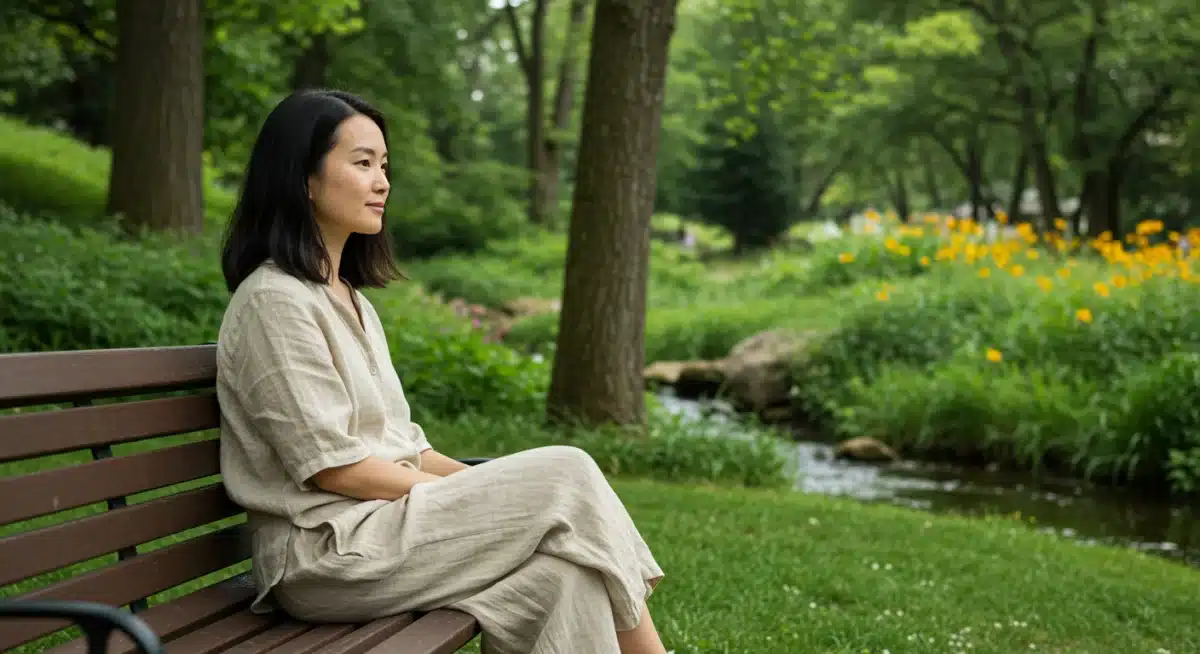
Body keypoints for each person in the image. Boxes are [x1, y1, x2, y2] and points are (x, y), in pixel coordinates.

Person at [214, 89, 667, 654]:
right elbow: (335, 470)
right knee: (566, 473)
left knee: (567, 579)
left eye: (384, 166)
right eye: (362, 164)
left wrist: (487, 493)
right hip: (327, 554)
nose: (382, 182)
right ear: (303, 178)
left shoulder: (348, 300)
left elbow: (408, 448)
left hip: (388, 530)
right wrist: (488, 495)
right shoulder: (274, 302)